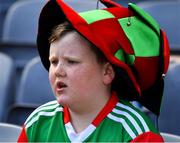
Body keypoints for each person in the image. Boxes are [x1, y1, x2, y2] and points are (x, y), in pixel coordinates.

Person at [18, 0, 170, 142]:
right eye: (54, 62)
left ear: (107, 73)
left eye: (71, 61)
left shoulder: (136, 133)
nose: (58, 71)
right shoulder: (38, 122)